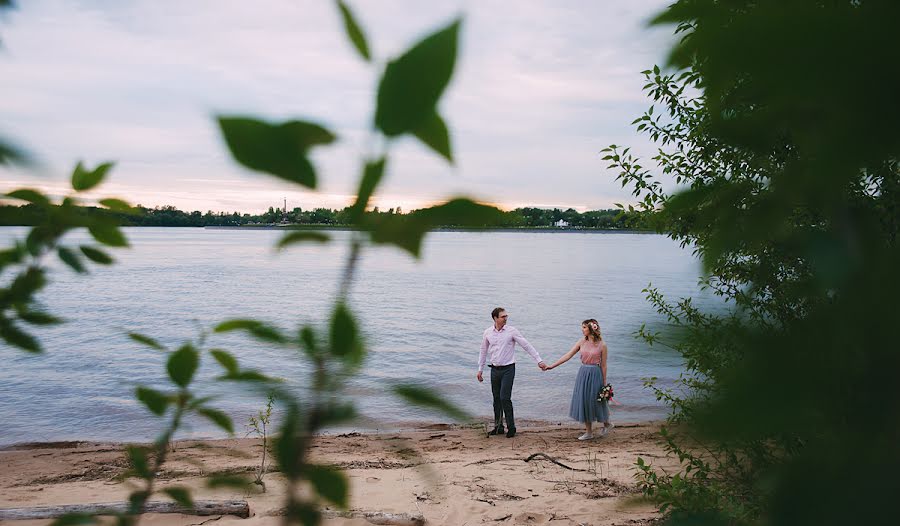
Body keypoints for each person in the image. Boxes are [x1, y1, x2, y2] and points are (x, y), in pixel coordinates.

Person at [476, 307, 547, 438]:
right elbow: (483, 350)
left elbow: (526, 345)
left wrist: (539, 360)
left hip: (508, 369)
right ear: (495, 318)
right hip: (494, 369)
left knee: (504, 398)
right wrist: (480, 369)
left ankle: (511, 427)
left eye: (506, 316)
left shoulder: (511, 331)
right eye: (503, 316)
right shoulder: (487, 332)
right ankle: (498, 427)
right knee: (496, 399)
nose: (506, 318)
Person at [545, 318, 612, 440]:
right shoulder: (582, 342)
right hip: (583, 373)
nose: (582, 330)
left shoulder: (602, 345)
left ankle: (607, 423)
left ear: (592, 328)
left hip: (595, 374)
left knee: (596, 401)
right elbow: (568, 355)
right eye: (582, 327)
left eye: (584, 327)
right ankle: (589, 432)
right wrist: (552, 366)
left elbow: (603, 365)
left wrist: (604, 382)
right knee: (584, 400)